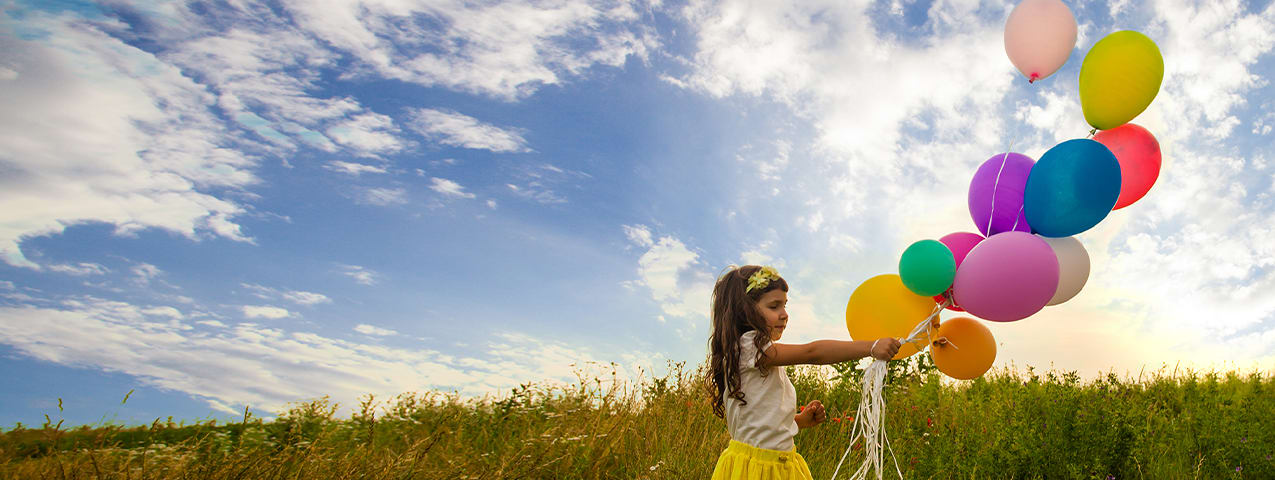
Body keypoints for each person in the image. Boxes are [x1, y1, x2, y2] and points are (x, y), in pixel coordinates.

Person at [707, 265, 902, 480]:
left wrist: (798, 421)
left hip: (779, 464)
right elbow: (812, 353)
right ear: (745, 311)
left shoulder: (758, 355)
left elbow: (759, 422)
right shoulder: (748, 348)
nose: (784, 315)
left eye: (784, 305)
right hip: (756, 469)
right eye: (774, 306)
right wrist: (871, 347)